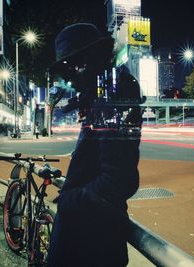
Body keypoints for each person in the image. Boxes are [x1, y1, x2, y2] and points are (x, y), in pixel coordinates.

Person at [47, 23, 143, 266]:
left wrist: (70, 200)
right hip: (88, 235)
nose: (69, 78)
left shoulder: (115, 93)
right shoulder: (100, 94)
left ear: (92, 58)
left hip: (93, 242)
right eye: (65, 71)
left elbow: (119, 180)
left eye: (73, 66)